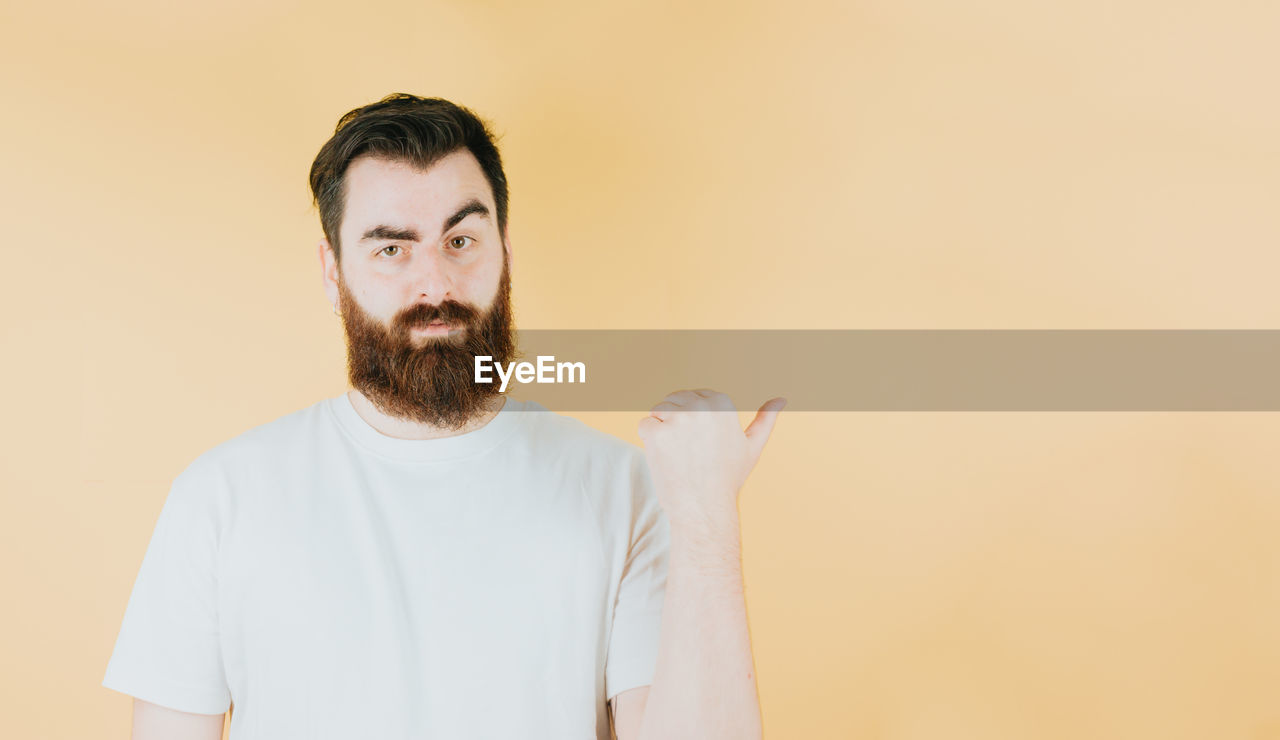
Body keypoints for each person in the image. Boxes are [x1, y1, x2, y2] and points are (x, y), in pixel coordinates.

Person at [102, 93, 784, 740]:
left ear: (506, 251)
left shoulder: (627, 489)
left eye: (461, 241)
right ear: (332, 272)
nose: (435, 284)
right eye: (391, 249)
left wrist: (707, 520)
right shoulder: (221, 497)